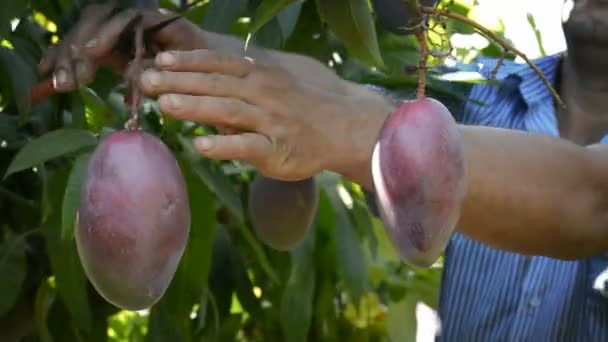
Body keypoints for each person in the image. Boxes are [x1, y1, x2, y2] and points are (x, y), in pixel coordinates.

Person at [40, 0, 608, 340]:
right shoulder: (480, 93)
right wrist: (198, 47)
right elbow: (340, 95)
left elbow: (591, 199)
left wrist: (359, 131)